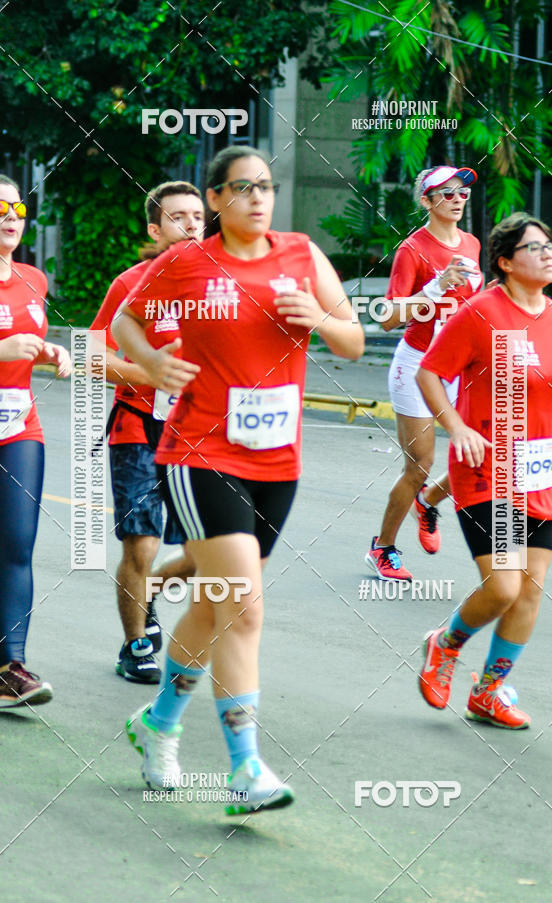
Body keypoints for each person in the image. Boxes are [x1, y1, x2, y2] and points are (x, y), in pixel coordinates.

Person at [112, 146, 364, 813]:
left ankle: (157, 723)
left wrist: (321, 319)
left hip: (277, 461)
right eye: (242, 187)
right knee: (244, 606)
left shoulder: (302, 254)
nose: (258, 197)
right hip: (200, 455)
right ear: (217, 199)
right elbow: (123, 320)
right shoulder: (187, 262)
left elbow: (353, 340)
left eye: (266, 186)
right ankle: (245, 765)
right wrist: (151, 364)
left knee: (213, 605)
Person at [416, 211, 552, 728]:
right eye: (535, 247)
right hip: (487, 473)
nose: (548, 254)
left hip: (541, 477)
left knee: (530, 591)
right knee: (503, 587)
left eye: (551, 247)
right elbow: (431, 372)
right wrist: (457, 426)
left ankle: (488, 691)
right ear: (505, 261)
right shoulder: (481, 313)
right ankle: (444, 643)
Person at [91, 182, 203, 683]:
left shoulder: (221, 286)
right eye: (179, 217)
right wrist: (151, 372)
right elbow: (95, 356)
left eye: (198, 216)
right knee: (140, 544)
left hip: (199, 432)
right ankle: (136, 645)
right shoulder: (129, 284)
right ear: (156, 230)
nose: (192, 225)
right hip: (137, 427)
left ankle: (150, 589)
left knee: (211, 551)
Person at [365, 166, 483, 581]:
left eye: (462, 193)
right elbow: (387, 319)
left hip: (459, 366)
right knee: (420, 463)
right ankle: (382, 548)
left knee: (481, 447)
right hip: (417, 365)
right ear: (426, 201)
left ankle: (429, 501)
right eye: (445, 192)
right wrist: (435, 287)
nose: (456, 198)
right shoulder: (412, 250)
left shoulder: (472, 244)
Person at [0, 174, 71, 707]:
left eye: (18, 206)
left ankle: (10, 668)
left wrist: (50, 352)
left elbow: (29, 339)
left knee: (18, 542)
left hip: (18, 424)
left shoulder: (33, 278)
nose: (11, 215)